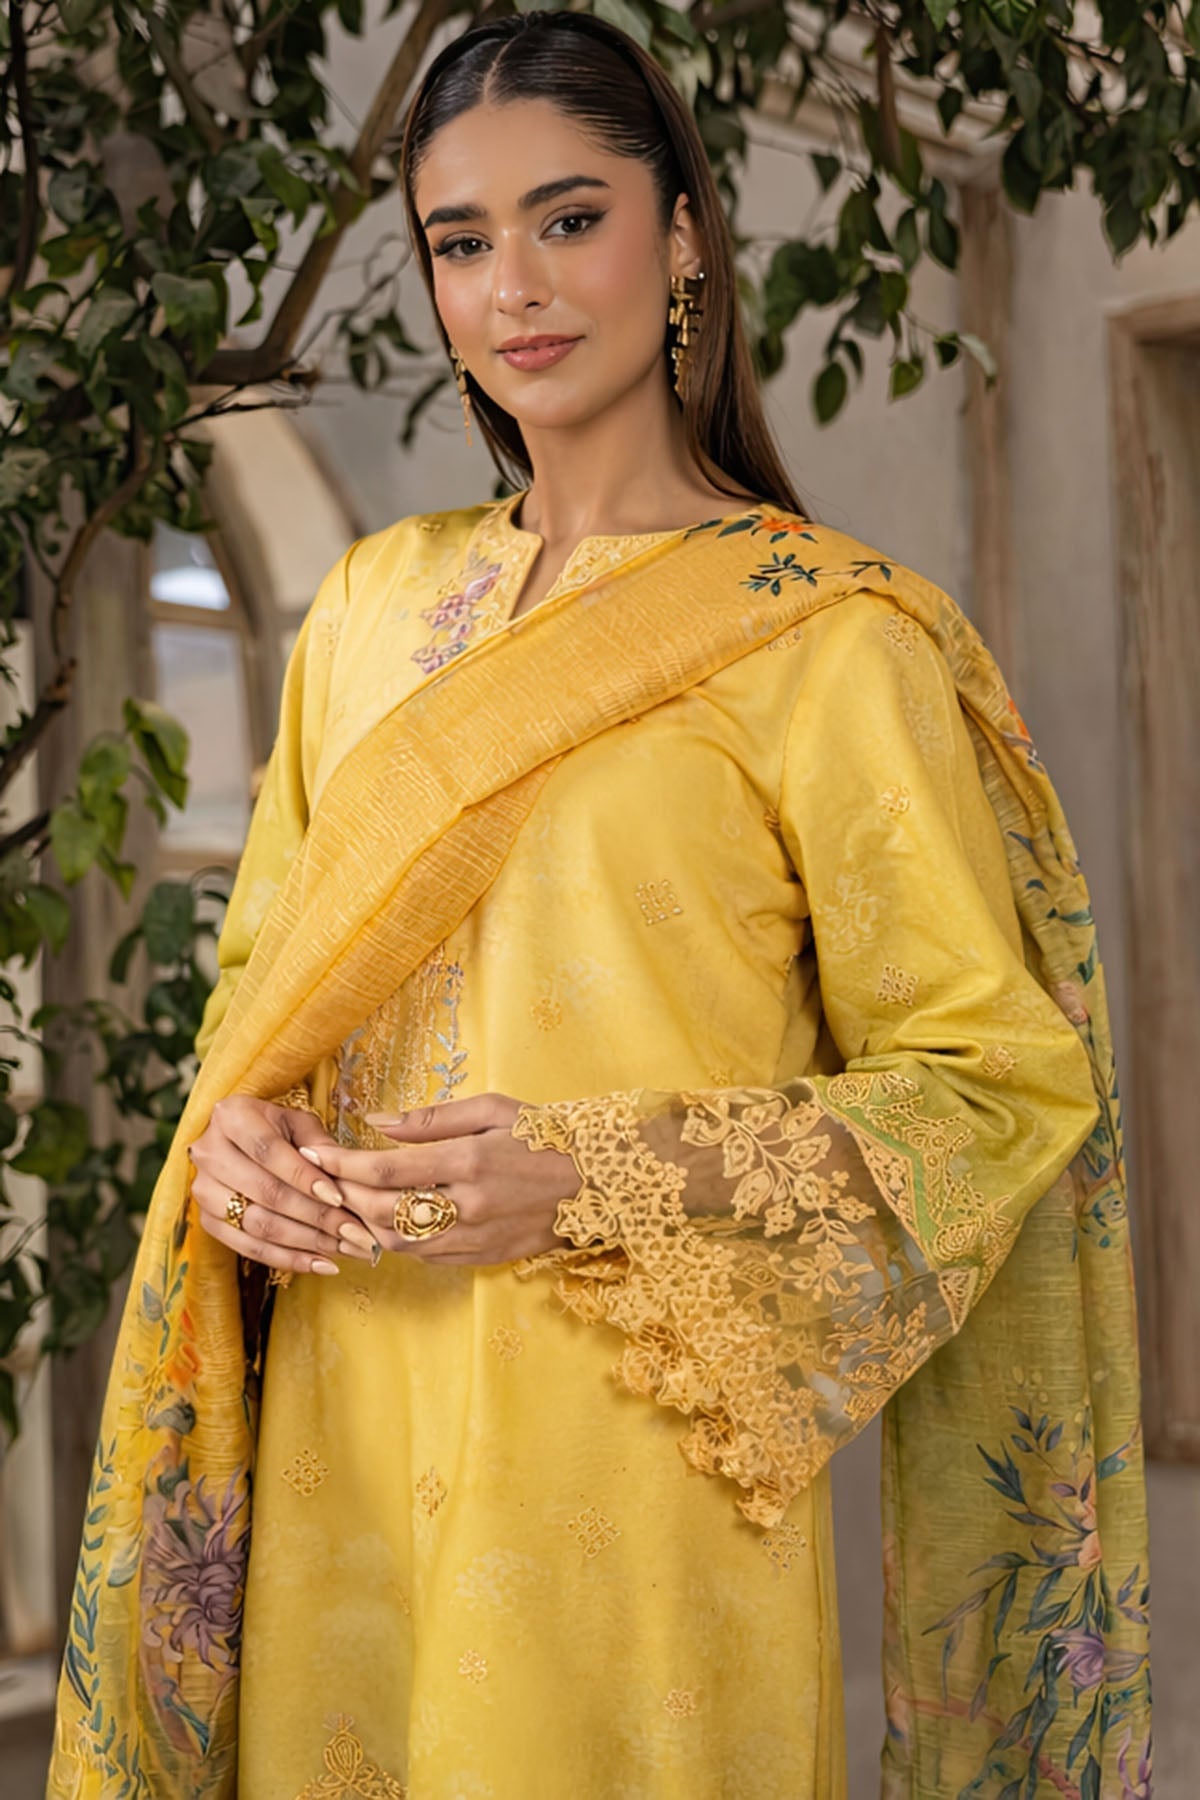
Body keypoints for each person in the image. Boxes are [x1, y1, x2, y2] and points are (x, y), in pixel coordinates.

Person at [47, 11, 1151, 1798]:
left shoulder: (829, 639)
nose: (516, 289)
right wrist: (233, 1136)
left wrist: (583, 1172)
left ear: (684, 236)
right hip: (340, 1430)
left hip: (632, 1480)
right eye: (460, 242)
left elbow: (993, 1089)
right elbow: (266, 1001)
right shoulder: (366, 612)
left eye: (570, 219)